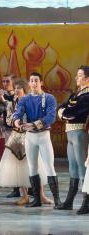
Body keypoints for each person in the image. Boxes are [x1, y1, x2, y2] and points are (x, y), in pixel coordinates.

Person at [0, 80, 52, 205]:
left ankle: (41, 195)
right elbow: (8, 120)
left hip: (31, 135)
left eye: (19, 91)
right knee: (19, 167)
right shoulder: (11, 104)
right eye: (15, 90)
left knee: (37, 165)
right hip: (16, 137)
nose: (16, 93)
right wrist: (15, 121)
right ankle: (25, 196)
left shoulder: (32, 101)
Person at [13, 72, 61, 208]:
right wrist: (16, 120)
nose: (33, 83)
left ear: (41, 83)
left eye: (36, 80)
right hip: (30, 137)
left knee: (49, 166)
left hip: (44, 136)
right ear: (29, 83)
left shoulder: (49, 98)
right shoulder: (24, 99)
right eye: (31, 80)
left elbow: (51, 117)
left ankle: (57, 201)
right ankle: (37, 200)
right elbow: (18, 111)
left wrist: (33, 124)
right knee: (32, 167)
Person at [58, 66, 89, 213]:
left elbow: (72, 112)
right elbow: (63, 106)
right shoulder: (76, 95)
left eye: (80, 75)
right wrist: (64, 111)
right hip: (70, 133)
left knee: (83, 168)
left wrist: (63, 113)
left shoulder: (87, 96)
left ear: (87, 78)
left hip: (79, 133)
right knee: (73, 168)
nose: (77, 78)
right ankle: (69, 201)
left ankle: (86, 203)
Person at [1, 74, 21, 198]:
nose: (5, 83)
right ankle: (16, 188)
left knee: (22, 158)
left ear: (13, 82)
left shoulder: (18, 95)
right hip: (7, 129)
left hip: (19, 130)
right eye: (3, 81)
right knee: (12, 159)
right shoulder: (2, 95)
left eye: (7, 81)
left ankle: (28, 187)